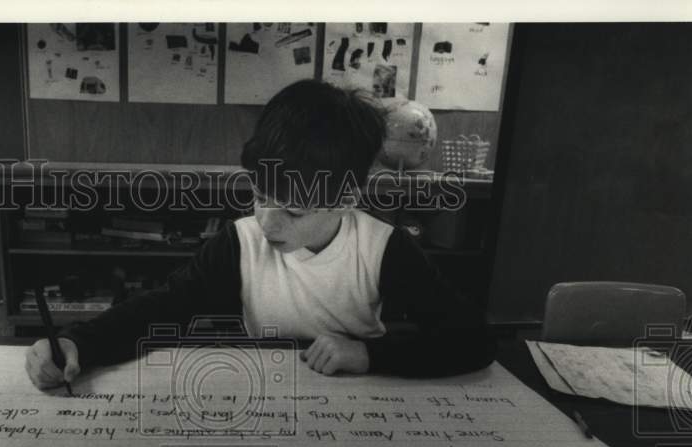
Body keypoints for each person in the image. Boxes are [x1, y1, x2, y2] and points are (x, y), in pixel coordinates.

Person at [26, 79, 494, 390]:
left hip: (359, 412)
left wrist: (369, 354)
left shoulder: (383, 249)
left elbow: (472, 340)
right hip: (266, 402)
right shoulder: (240, 242)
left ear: (348, 197)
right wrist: (77, 343)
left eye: (293, 209)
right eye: (259, 195)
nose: (268, 223)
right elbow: (162, 308)